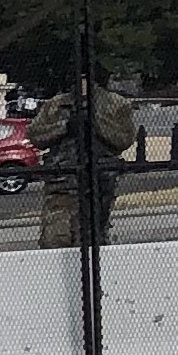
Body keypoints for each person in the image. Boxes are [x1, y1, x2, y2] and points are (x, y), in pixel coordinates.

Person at [29, 74, 137, 248]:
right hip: (62, 180)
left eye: (86, 77)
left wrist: (96, 123)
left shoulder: (116, 103)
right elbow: (35, 135)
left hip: (100, 181)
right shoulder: (55, 105)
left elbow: (124, 139)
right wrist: (65, 127)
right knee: (56, 237)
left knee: (93, 236)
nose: (82, 82)